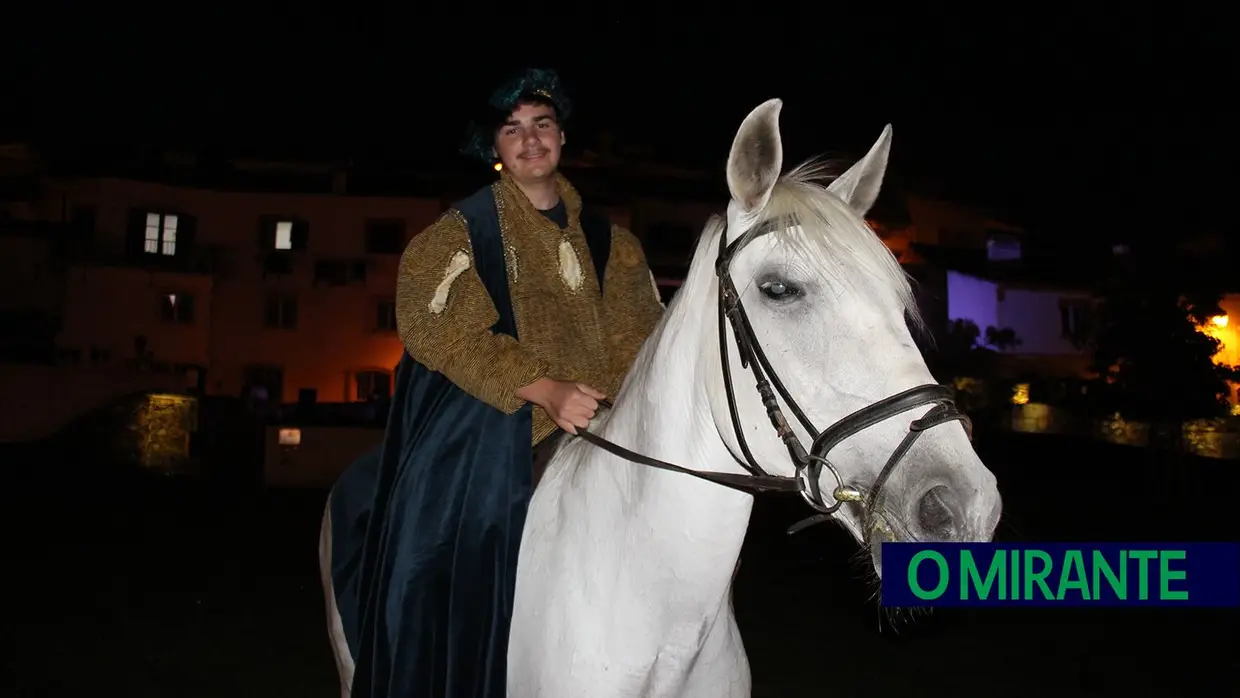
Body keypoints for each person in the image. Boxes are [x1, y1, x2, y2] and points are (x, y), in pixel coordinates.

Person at [326, 67, 665, 698]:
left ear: (562, 137)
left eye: (542, 125)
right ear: (495, 149)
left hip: (603, 422)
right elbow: (438, 331)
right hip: (498, 415)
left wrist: (612, 406)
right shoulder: (459, 233)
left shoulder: (616, 244)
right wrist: (545, 387)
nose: (530, 139)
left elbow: (638, 336)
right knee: (435, 547)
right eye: (513, 129)